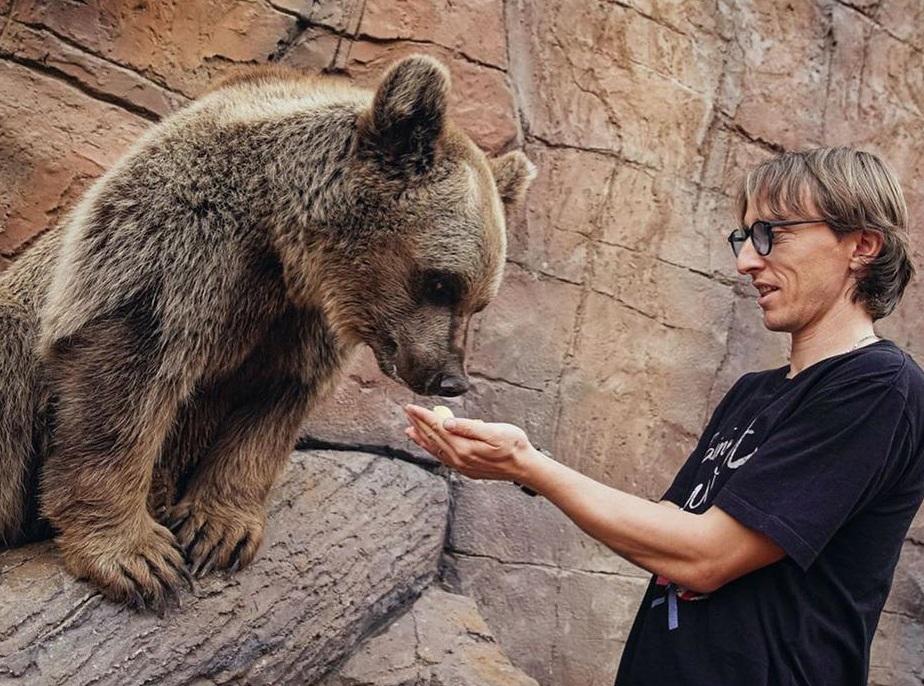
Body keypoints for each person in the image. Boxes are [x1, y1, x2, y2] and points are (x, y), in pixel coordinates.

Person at [402, 146, 924, 685]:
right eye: (744, 238)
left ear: (862, 245)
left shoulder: (879, 387)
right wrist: (527, 463)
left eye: (773, 234)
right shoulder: (753, 393)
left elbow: (703, 557)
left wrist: (527, 465)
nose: (746, 261)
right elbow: (670, 542)